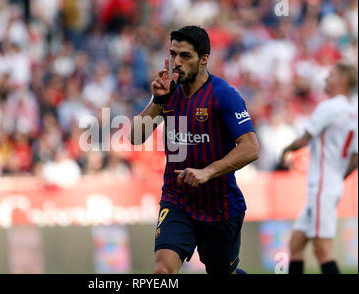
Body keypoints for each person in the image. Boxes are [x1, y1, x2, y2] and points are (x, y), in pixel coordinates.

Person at [130, 26, 259, 274]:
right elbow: (135, 137)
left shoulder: (224, 94)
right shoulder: (169, 93)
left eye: (185, 56)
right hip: (177, 199)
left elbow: (251, 148)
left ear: (203, 59)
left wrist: (208, 171)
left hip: (219, 204)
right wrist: (157, 101)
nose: (177, 62)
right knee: (162, 270)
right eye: (173, 54)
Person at [280, 62, 358, 274]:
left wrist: (285, 150)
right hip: (330, 186)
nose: (326, 79)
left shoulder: (329, 106)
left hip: (322, 186)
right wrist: (338, 178)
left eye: (331, 75)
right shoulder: (353, 111)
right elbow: (355, 157)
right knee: (295, 244)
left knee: (323, 250)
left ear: (342, 81)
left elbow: (304, 140)